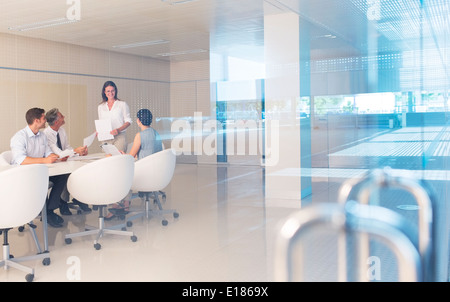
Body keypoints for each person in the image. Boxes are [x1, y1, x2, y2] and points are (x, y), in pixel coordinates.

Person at [10, 108, 68, 228]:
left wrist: (55, 156)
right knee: (42, 182)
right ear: (36, 120)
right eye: (43, 118)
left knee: (63, 175)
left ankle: (49, 210)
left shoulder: (42, 136)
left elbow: (47, 153)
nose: (46, 120)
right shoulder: (19, 137)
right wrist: (45, 160)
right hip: (23, 175)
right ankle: (47, 214)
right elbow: (21, 160)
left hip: (39, 172)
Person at [105, 108, 163, 220]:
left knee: (121, 175)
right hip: (155, 172)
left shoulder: (140, 135)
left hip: (144, 174)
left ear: (138, 121)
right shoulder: (156, 134)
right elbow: (149, 152)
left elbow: (130, 158)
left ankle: (117, 205)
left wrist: (121, 154)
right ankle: (125, 205)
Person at [43, 108, 92, 214]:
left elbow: (67, 148)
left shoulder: (61, 130)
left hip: (63, 162)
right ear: (56, 122)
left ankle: (78, 198)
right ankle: (62, 203)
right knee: (66, 175)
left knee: (79, 171)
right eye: (61, 116)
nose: (64, 117)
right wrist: (74, 151)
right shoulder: (46, 134)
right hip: (53, 166)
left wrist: (79, 153)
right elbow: (59, 154)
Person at [98, 81, 132, 152]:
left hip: (119, 136)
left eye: (112, 91)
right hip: (106, 137)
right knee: (108, 160)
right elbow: (101, 122)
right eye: (108, 91)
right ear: (104, 92)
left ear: (115, 91)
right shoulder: (101, 107)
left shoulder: (122, 104)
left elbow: (128, 121)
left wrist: (118, 130)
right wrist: (98, 131)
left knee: (118, 159)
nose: (110, 93)